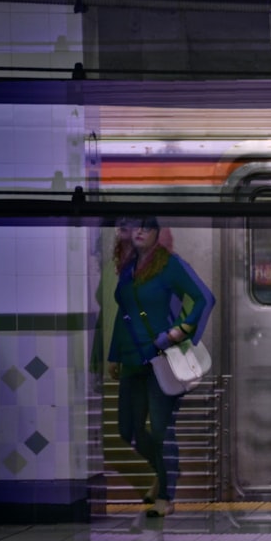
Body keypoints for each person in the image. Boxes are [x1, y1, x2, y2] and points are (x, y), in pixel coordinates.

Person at [108, 217, 214, 518]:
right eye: (135, 225)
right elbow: (124, 315)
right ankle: (165, 470)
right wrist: (114, 355)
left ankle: (166, 495)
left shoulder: (169, 265)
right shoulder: (128, 268)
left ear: (157, 233)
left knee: (159, 431)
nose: (140, 230)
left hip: (161, 361)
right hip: (132, 360)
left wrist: (181, 330)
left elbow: (205, 299)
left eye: (147, 226)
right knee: (126, 430)